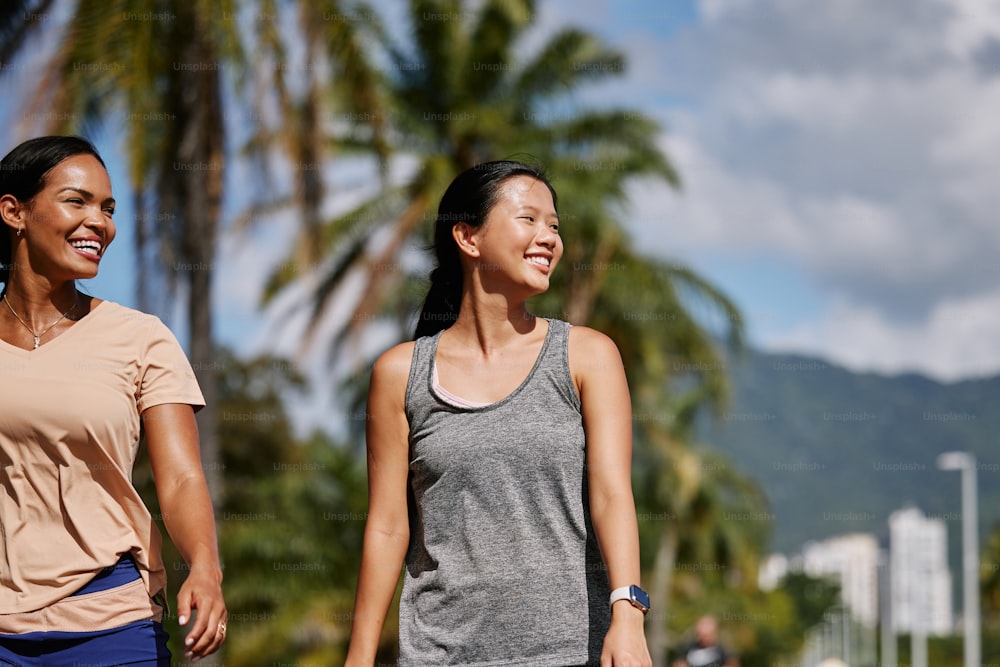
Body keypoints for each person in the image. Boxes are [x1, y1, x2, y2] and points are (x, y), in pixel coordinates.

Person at [345, 160, 652, 666]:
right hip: (439, 654)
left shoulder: (587, 356)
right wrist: (358, 657)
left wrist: (628, 613)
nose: (549, 238)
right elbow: (387, 526)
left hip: (571, 651)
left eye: (554, 225)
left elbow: (612, 495)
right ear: (468, 238)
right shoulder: (400, 374)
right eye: (528, 219)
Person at [0, 136, 226, 665]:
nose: (100, 223)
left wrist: (205, 567)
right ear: (14, 212)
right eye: (77, 201)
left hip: (111, 621)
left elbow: (181, 477)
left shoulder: (140, 338)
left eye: (108, 209)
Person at [671, 615, 738, 667]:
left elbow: (732, 664)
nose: (703, 638)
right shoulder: (689, 647)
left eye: (706, 635)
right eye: (700, 634)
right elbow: (678, 663)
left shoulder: (723, 649)